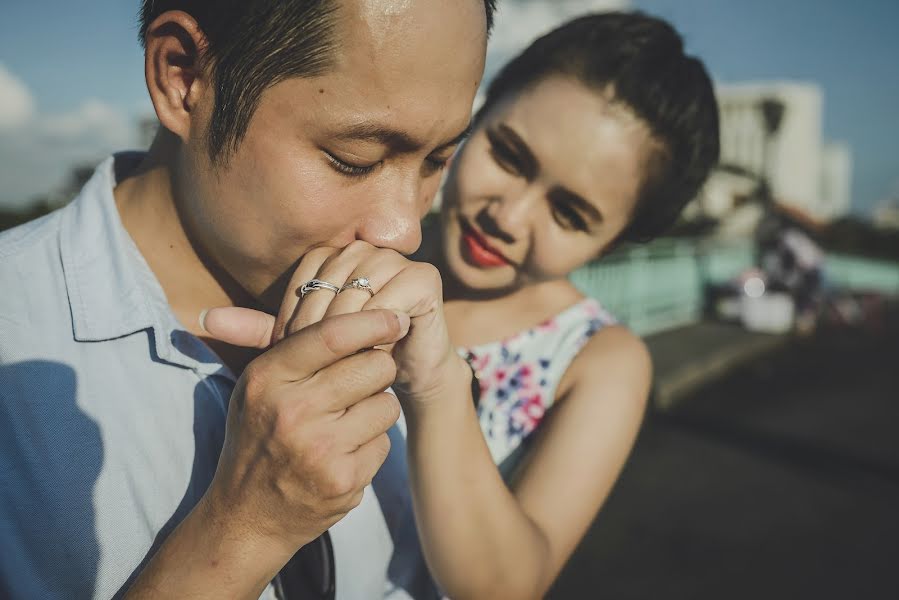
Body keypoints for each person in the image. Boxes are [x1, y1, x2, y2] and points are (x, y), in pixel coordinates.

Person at [203, 11, 720, 598]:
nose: (509, 216)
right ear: (479, 113)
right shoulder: (364, 238)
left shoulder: (602, 360)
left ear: (615, 241)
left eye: (569, 214)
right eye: (509, 156)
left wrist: (438, 386)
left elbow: (507, 586)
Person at [0, 1, 496, 598]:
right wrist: (245, 530)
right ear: (182, 76)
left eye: (437, 160)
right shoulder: (17, 344)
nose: (404, 231)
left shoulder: (408, 330)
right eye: (354, 159)